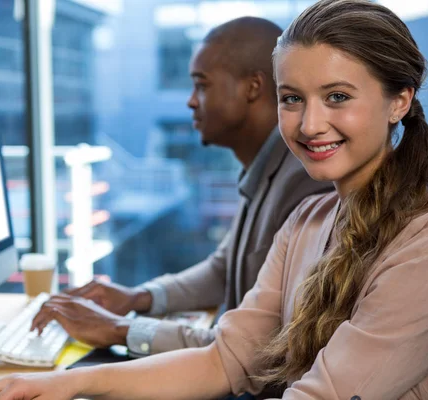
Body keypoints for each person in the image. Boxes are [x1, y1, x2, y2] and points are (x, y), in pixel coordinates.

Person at [0, 0, 428, 398]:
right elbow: (224, 361)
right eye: (291, 99)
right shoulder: (309, 217)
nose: (309, 124)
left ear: (399, 101)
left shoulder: (420, 243)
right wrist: (64, 385)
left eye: (336, 96)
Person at [30, 17, 333, 363]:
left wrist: (120, 329)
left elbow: (255, 349)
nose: (191, 101)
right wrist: (138, 297)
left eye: (202, 86)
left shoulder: (306, 181)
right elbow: (224, 268)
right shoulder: (268, 168)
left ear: (252, 87)